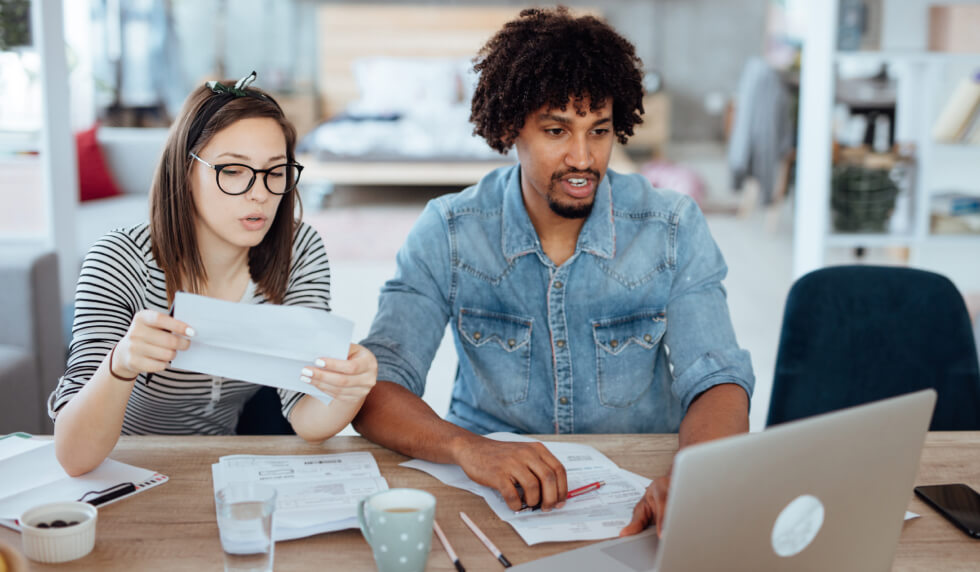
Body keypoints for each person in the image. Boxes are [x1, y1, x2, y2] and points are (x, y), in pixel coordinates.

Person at [353, 8, 754, 536]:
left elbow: (717, 379)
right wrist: (467, 448)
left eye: (600, 131)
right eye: (556, 130)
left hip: (643, 493)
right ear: (511, 127)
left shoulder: (671, 227)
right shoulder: (449, 231)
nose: (583, 158)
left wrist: (691, 475)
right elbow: (377, 385)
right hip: (488, 492)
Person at [49, 73, 377, 476]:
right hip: (118, 466)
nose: (260, 193)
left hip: (218, 465)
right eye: (233, 171)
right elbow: (72, 456)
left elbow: (308, 421)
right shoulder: (119, 260)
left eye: (275, 172)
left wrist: (352, 386)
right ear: (186, 172)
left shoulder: (299, 249)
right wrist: (121, 363)